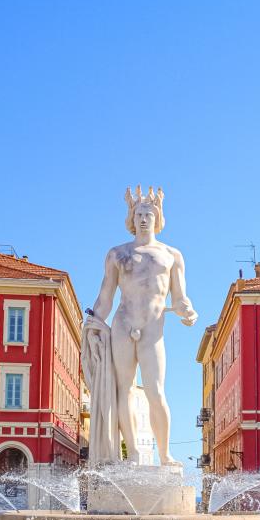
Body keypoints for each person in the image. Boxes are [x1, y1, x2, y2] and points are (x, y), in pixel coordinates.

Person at [84, 186, 197, 466]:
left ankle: (164, 454)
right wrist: (93, 323)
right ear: (131, 219)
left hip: (153, 330)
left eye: (149, 213)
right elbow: (106, 296)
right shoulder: (117, 254)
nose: (144, 218)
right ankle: (132, 454)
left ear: (158, 219)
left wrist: (187, 311)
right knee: (125, 390)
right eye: (139, 213)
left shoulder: (172, 255)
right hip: (123, 325)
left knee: (156, 391)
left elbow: (180, 298)